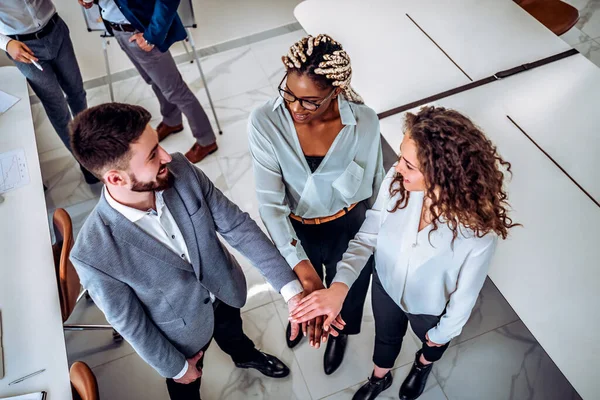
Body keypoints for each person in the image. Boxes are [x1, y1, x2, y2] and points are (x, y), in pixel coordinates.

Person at [68, 103, 307, 400]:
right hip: (181, 335)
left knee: (234, 334)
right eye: (153, 154)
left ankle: (244, 354)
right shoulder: (93, 254)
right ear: (116, 178)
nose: (169, 156)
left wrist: (291, 290)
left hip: (224, 289)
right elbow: (131, 324)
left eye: (159, 145)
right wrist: (178, 369)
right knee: (186, 391)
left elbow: (238, 228)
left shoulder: (181, 171)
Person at [290, 106, 519, 400]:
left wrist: (440, 335)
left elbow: (464, 297)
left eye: (409, 165)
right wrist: (339, 286)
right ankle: (379, 378)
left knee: (432, 344)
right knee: (386, 336)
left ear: (441, 173)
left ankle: (422, 366)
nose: (397, 167)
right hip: (385, 285)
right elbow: (367, 236)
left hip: (430, 307)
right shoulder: (397, 183)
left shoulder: (477, 234)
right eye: (401, 157)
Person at [248, 34, 384, 375]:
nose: (295, 108)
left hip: (349, 224)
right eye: (290, 94)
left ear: (335, 92)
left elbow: (377, 189)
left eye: (310, 101)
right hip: (293, 227)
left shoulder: (364, 123)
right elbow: (270, 204)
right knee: (299, 283)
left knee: (349, 291)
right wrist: (306, 277)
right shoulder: (264, 121)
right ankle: (304, 315)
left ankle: (341, 332)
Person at [78, 0, 218, 164]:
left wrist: (151, 35)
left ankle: (206, 140)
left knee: (176, 90)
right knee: (153, 81)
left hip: (143, 31)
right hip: (119, 31)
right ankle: (172, 120)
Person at [0, 0, 98, 184]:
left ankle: (90, 144)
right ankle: (84, 159)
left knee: (77, 92)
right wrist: (5, 44)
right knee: (57, 107)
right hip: (23, 47)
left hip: (55, 29)